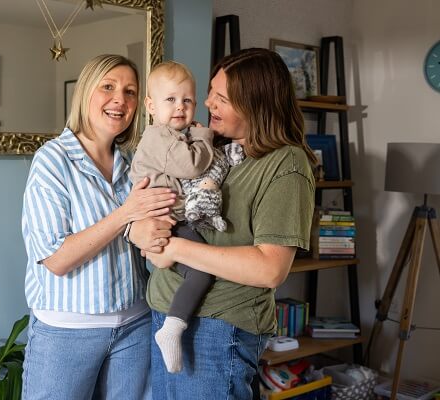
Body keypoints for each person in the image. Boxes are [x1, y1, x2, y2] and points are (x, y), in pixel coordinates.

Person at [130, 48, 318, 399]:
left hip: (219, 328)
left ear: (255, 104)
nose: (207, 103)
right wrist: (138, 231)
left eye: (222, 98)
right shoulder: (212, 146)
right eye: (211, 93)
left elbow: (270, 268)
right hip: (165, 314)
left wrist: (173, 247)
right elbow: (152, 196)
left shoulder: (286, 165)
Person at [21, 54, 176, 400]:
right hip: (67, 334)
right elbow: (57, 259)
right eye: (108, 87)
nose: (120, 99)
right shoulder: (52, 160)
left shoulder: (136, 164)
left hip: (135, 326)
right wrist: (126, 214)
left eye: (131, 92)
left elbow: (150, 239)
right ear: (86, 93)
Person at [129, 61, 230, 373]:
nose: (180, 107)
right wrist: (203, 135)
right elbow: (191, 167)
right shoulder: (160, 136)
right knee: (201, 272)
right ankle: (172, 329)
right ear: (150, 105)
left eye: (187, 100)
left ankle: (173, 326)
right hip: (167, 221)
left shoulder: (174, 135)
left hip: (172, 218)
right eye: (170, 99)